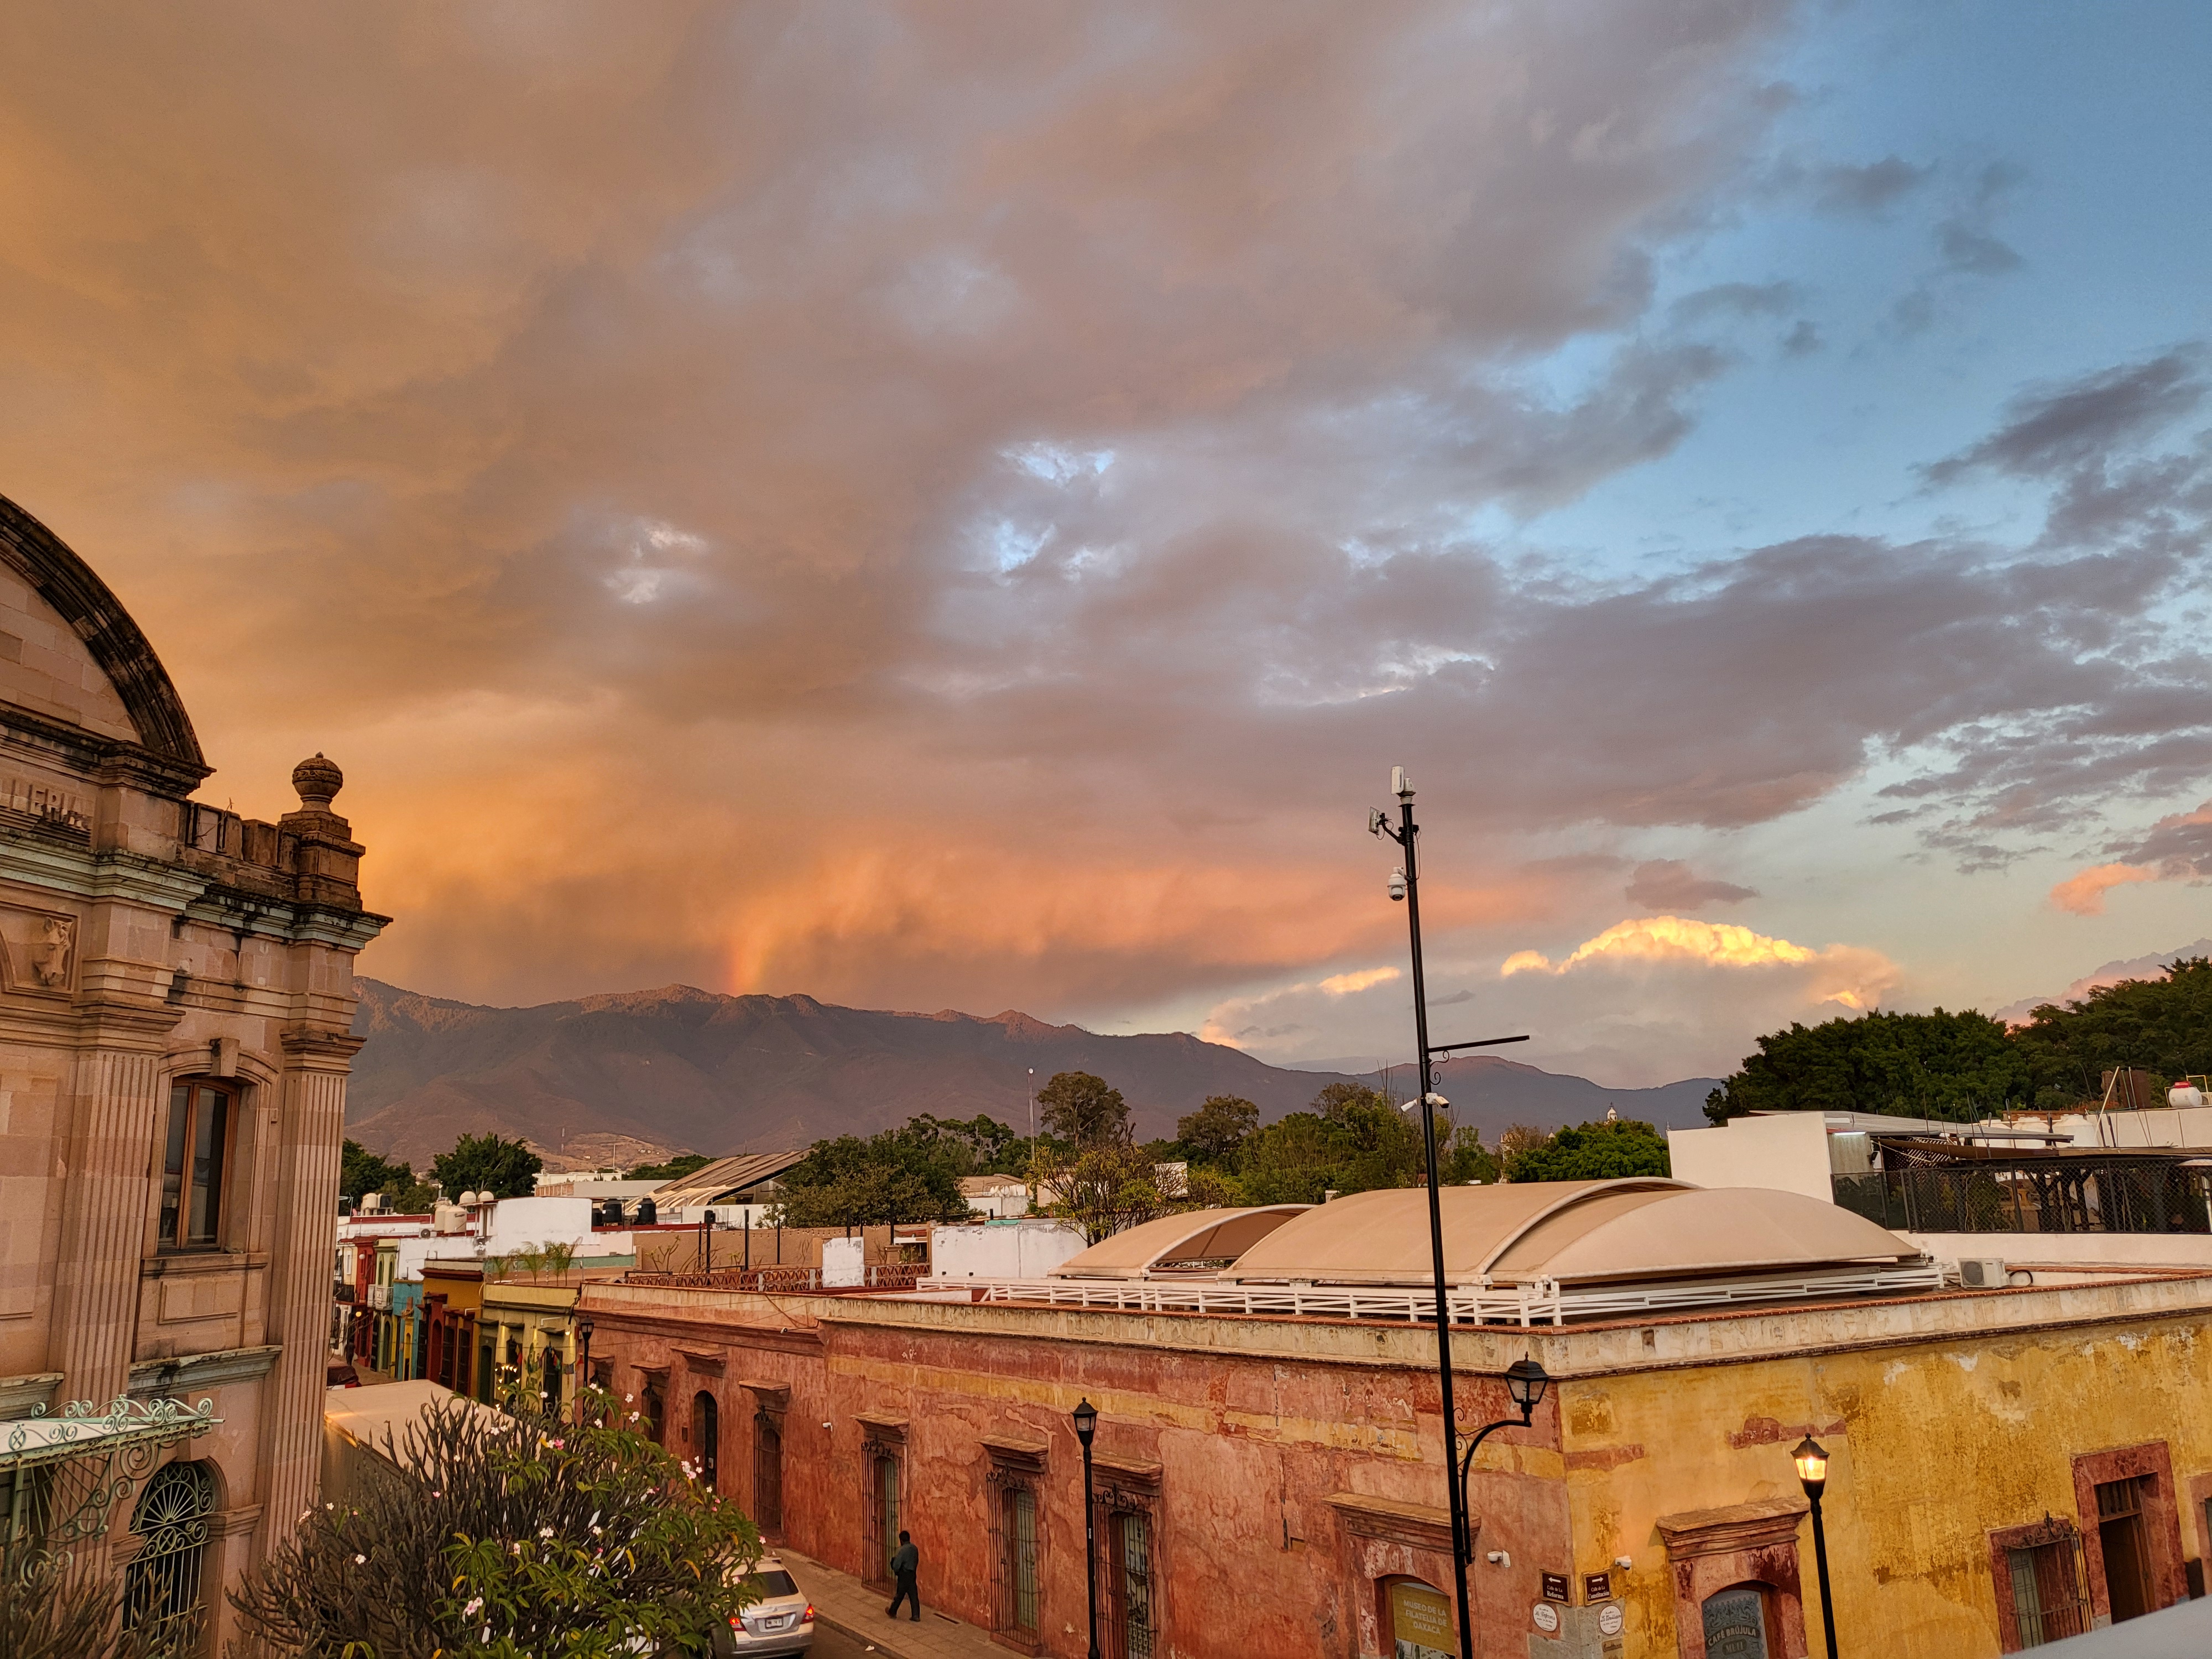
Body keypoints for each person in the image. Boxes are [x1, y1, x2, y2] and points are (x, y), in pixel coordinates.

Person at [886, 1529, 920, 1621]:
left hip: (904, 1575)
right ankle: (916, 1615)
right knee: (913, 1595)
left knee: (899, 1594)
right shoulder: (915, 1548)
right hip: (912, 1574)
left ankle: (892, 1611)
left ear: (901, 1540)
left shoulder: (901, 1551)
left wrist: (895, 1569)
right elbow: (916, 1560)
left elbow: (897, 1565)